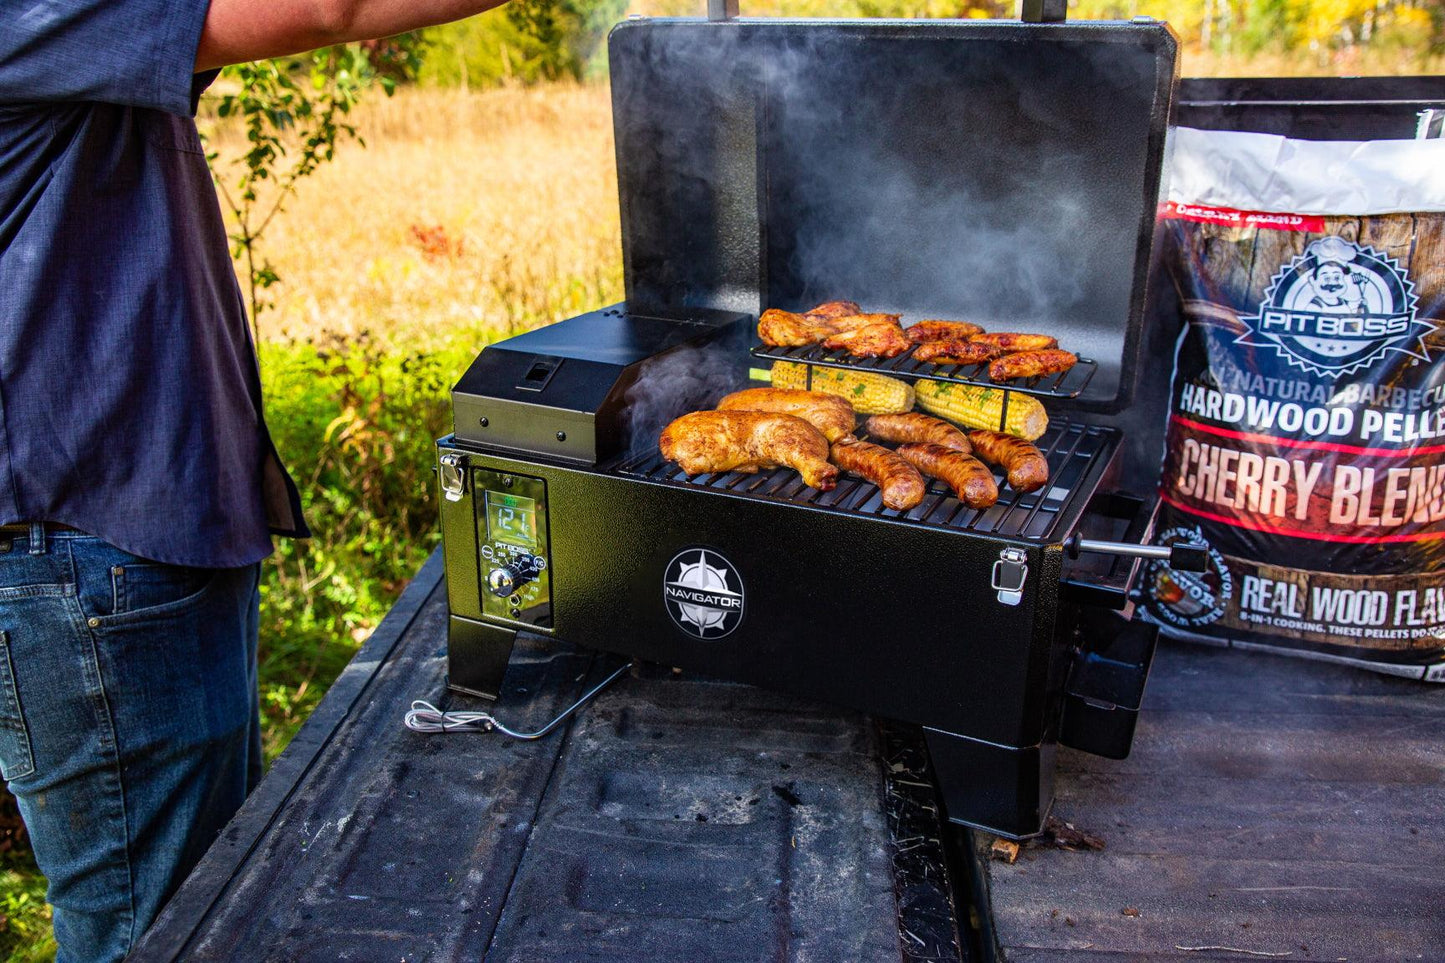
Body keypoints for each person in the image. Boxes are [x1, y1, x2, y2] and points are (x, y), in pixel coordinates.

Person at [0, 1, 506, 960]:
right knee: (156, 932)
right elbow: (329, 6)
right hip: (90, 556)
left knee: (204, 906)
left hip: (128, 543)